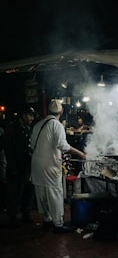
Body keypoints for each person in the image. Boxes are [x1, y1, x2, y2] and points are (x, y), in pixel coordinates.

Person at [30, 99, 86, 233]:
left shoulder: (38, 124)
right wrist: (80, 153)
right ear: (61, 112)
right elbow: (63, 146)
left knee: (41, 193)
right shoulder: (57, 125)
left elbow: (32, 145)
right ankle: (58, 224)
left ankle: (47, 220)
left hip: (36, 165)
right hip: (49, 165)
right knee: (55, 193)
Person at [4, 106, 35, 226]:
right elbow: (9, 149)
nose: (31, 118)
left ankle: (26, 213)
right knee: (15, 192)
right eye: (30, 115)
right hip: (16, 166)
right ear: (24, 115)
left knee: (28, 190)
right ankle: (12, 217)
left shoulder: (27, 128)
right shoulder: (12, 127)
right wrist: (13, 166)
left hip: (26, 164)